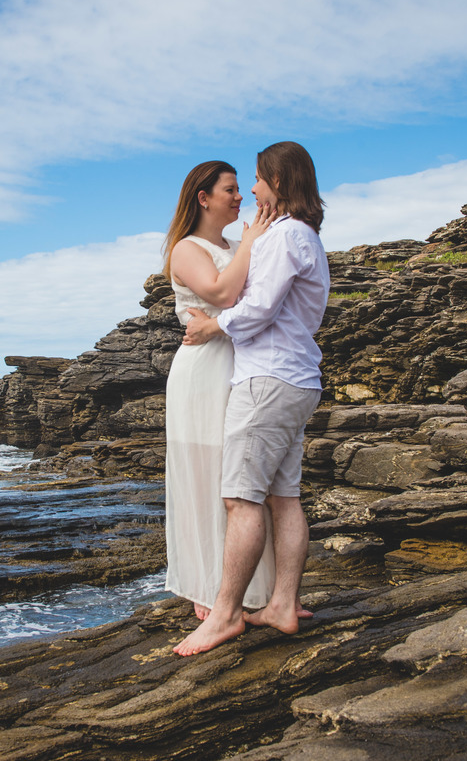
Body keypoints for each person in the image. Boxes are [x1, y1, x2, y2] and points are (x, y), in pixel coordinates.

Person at [173, 141, 330, 656]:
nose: (251, 191)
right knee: (282, 496)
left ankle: (224, 616)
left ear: (278, 183)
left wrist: (215, 325)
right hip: (294, 378)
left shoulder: (284, 237)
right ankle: (281, 603)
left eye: (257, 180)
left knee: (241, 500)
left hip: (265, 381)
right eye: (238, 186)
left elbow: (257, 307)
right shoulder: (299, 235)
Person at [163, 160, 279, 620]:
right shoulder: (185, 250)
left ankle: (248, 589)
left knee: (242, 476)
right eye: (230, 190)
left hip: (244, 366)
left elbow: (261, 298)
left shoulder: (238, 243)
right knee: (207, 473)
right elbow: (224, 295)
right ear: (203, 197)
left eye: (239, 189)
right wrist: (250, 244)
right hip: (203, 373)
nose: (239, 197)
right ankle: (206, 588)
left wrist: (250, 243)